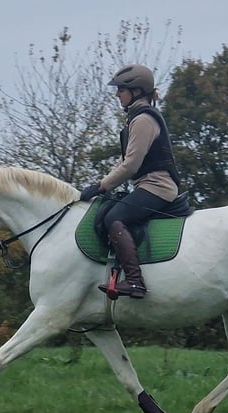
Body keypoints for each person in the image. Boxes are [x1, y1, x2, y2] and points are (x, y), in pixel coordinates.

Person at [80, 64, 181, 299]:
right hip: (148, 185)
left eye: (121, 89)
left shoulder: (144, 119)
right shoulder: (135, 118)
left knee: (114, 217)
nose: (118, 94)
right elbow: (123, 163)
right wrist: (100, 184)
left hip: (157, 187)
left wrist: (101, 186)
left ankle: (135, 281)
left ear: (136, 91)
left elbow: (130, 166)